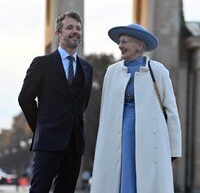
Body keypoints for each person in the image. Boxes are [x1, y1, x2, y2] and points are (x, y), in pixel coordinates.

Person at [90, 24, 181, 193]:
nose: (120, 45)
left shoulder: (158, 70)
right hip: (119, 131)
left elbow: (171, 110)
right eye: (119, 42)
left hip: (151, 137)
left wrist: (173, 150)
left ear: (139, 45)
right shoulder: (112, 72)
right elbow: (105, 112)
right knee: (121, 170)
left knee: (147, 178)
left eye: (124, 41)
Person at [18, 11, 93, 193]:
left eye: (78, 28)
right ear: (58, 33)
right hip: (47, 142)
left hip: (75, 145)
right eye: (69, 27)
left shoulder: (87, 68)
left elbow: (82, 105)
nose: (75, 31)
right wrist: (42, 128)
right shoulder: (42, 64)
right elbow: (25, 99)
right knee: (39, 190)